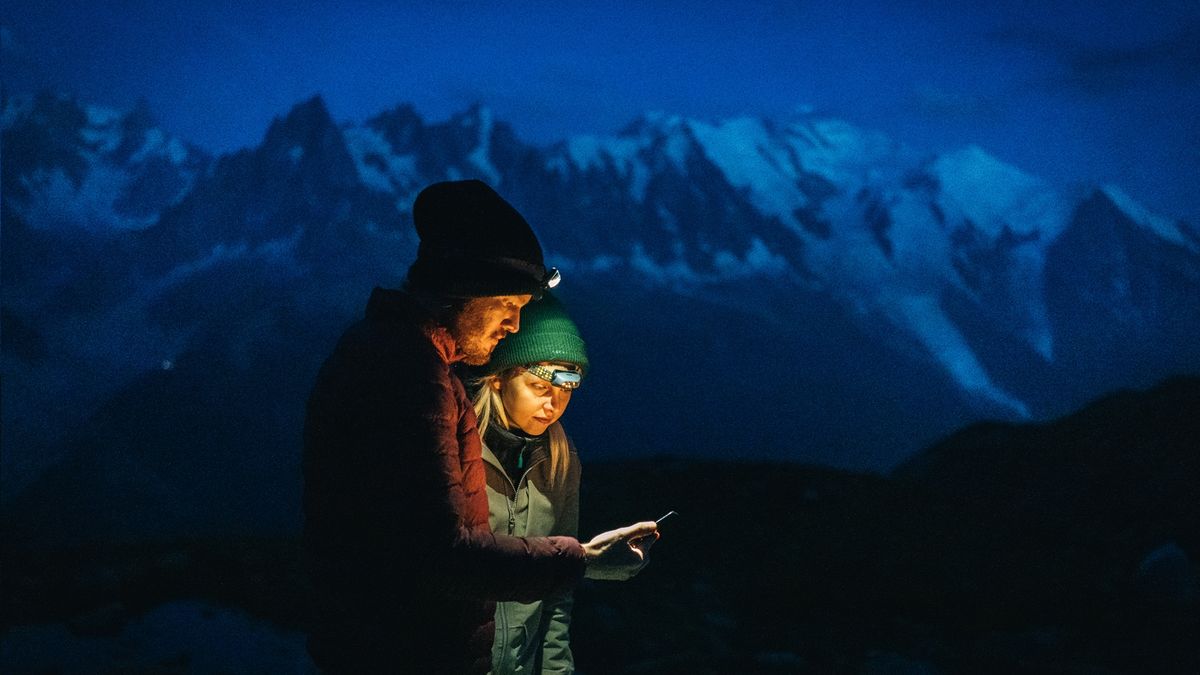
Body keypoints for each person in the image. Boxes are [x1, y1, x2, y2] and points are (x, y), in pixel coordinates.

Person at [302, 179, 657, 674]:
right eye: (508, 306)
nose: (513, 326)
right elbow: (439, 557)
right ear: (466, 291)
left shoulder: (407, 361)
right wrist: (584, 559)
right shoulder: (407, 375)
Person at [470, 292, 605, 674]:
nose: (554, 405)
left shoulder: (560, 461)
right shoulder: (458, 452)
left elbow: (557, 593)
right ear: (498, 378)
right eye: (540, 388)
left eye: (565, 392)